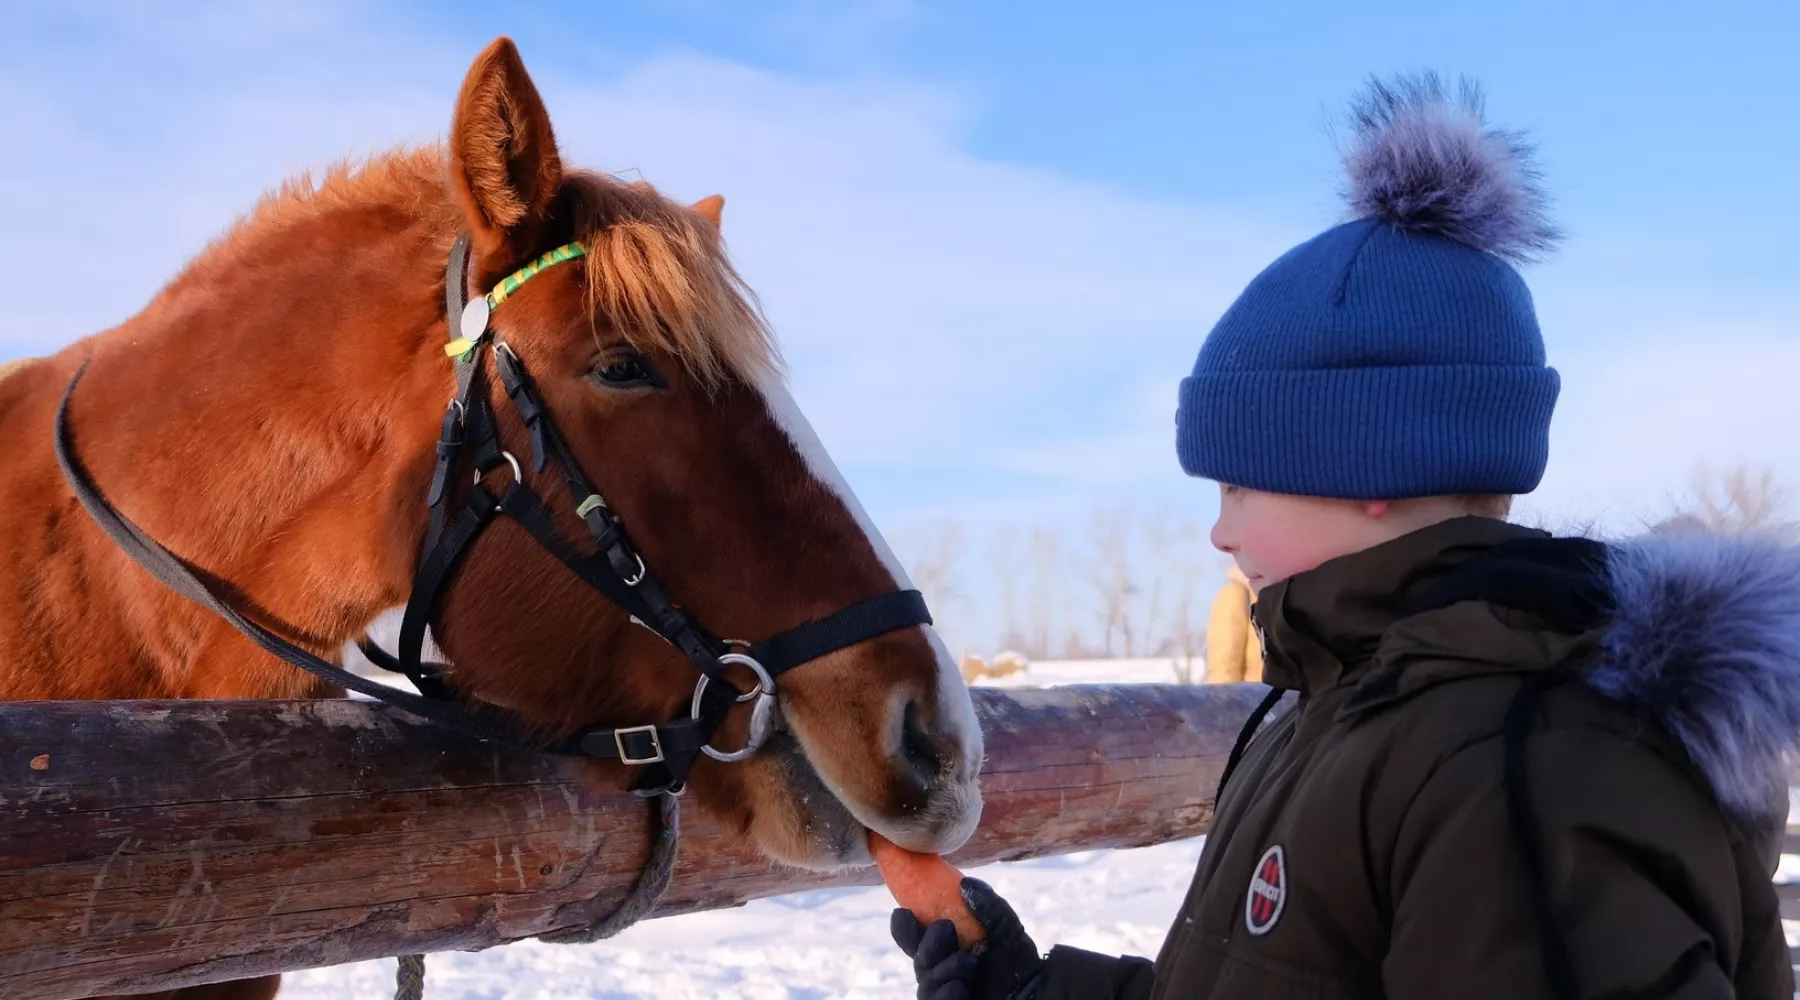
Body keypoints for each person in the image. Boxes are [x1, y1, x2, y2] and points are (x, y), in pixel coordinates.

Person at [889, 72, 1800, 999]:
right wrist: (1040, 993)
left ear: (1369, 467)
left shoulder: (1522, 769)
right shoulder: (1350, 702)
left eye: (1238, 483)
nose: (1217, 529)